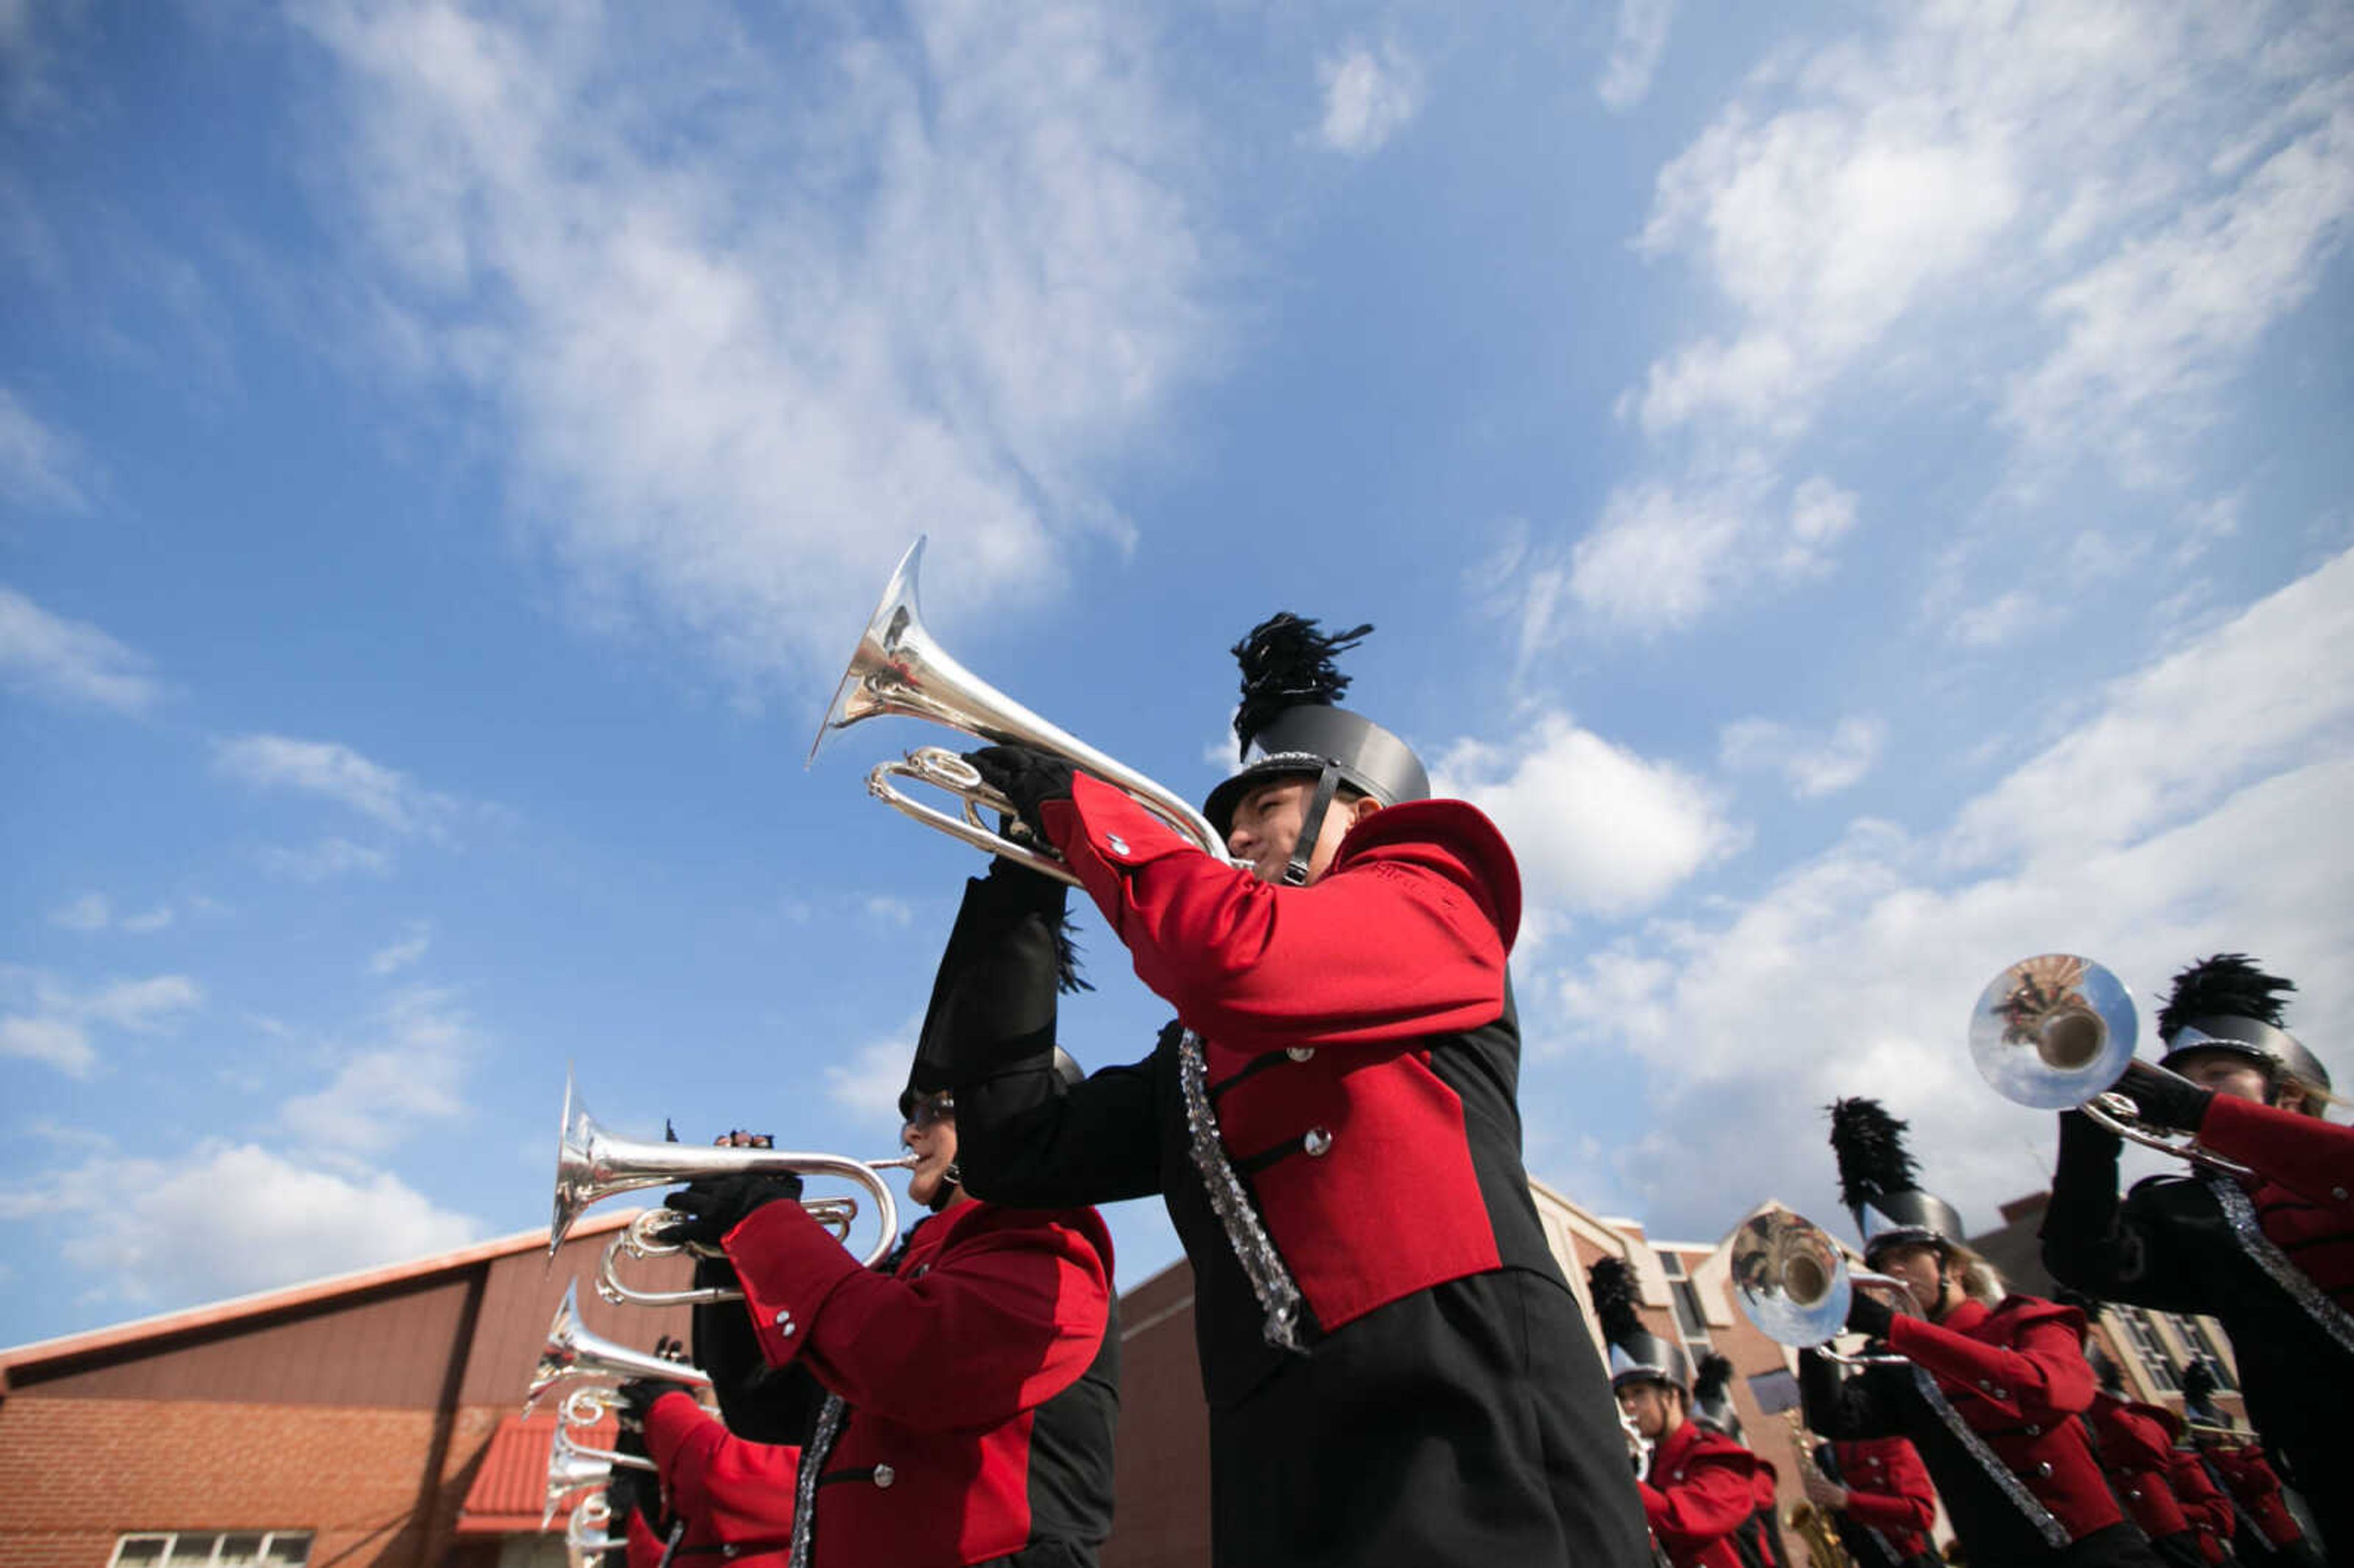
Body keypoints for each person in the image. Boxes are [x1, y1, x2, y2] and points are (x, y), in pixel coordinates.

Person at [946, 615, 1653, 1567]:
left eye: (1266, 801)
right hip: (1269, 1428)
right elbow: (1013, 1148)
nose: (1231, 832)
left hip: (1456, 1378)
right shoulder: (1195, 1056)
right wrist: (1025, 892)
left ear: (1355, 810)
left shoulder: (1435, 894)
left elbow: (1237, 959)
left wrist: (1091, 816)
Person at [652, 866, 1121, 1568]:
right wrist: (731, 1246)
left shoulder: (1052, 1244)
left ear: (1009, 1115)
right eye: (912, 1112)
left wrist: (773, 1226)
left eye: (937, 1108)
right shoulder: (915, 1264)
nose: (911, 1131)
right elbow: (767, 1411)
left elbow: (915, 1356)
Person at [2041, 955, 2350, 1558]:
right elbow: (2086, 1259)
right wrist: (2085, 1115)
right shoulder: (2186, 1207)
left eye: (2218, 1072)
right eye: (2184, 1079)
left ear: (2284, 1091)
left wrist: (2200, 1111)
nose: (2193, 1087)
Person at [1805, 1098, 2163, 1566]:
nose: (1891, 1272)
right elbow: (1837, 1420)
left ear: (1949, 1262)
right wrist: (1814, 1326)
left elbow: (2047, 1389)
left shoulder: (2028, 1319)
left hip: (2096, 1554)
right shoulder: (1901, 1366)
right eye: (1879, 1265)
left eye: (1904, 1256)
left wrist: (1897, 1328)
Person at [1591, 1260, 1760, 1568]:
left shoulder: (1718, 1456)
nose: (1628, 1406)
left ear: (1671, 1393)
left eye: (1639, 1393)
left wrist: (1614, 1474)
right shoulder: (1648, 1465)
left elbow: (1684, 1521)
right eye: (1624, 1397)